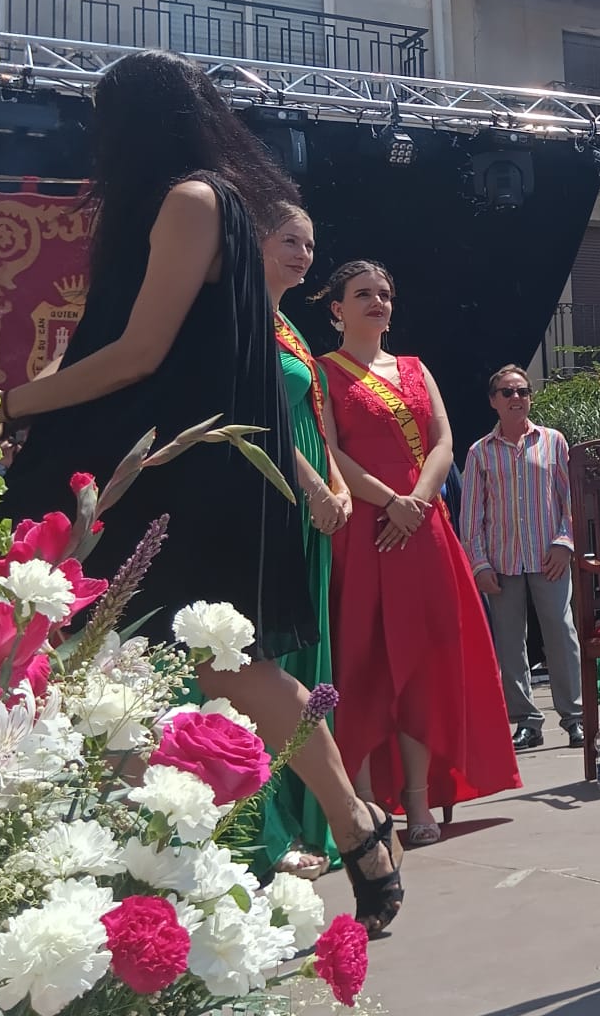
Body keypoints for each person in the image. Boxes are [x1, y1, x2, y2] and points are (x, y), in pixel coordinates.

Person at [0, 51, 402, 932]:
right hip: (162, 469)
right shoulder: (191, 204)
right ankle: (322, 832)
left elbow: (142, 355)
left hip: (183, 474)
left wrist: (2, 402)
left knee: (200, 658)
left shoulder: (194, 202)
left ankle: (346, 824)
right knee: (147, 655)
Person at [318, 261, 520, 849]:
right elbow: (329, 451)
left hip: (423, 529)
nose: (377, 302)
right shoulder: (323, 372)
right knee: (362, 663)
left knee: (423, 663)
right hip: (367, 530)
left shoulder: (413, 368)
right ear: (337, 309)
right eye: (362, 295)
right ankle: (357, 806)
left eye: (384, 293)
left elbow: (443, 441)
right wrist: (389, 503)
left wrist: (418, 501)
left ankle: (415, 798)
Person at [253, 202, 350, 881]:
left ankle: (317, 815)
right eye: (290, 240)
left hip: (312, 502)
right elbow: (259, 420)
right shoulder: (239, 317)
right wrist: (316, 489)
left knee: (306, 657)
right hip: (272, 497)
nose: (304, 254)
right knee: (266, 667)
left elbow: (314, 418)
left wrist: (338, 485)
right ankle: (267, 830)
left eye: (311, 243)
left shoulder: (287, 323)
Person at [460, 364, 584, 751]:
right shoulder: (480, 452)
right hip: (501, 562)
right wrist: (479, 565)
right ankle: (526, 721)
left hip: (549, 557)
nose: (517, 398)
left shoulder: (554, 442)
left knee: (561, 634)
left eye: (523, 391)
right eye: (508, 393)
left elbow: (572, 500)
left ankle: (577, 717)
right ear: (494, 401)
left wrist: (565, 542)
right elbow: (471, 516)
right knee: (511, 643)